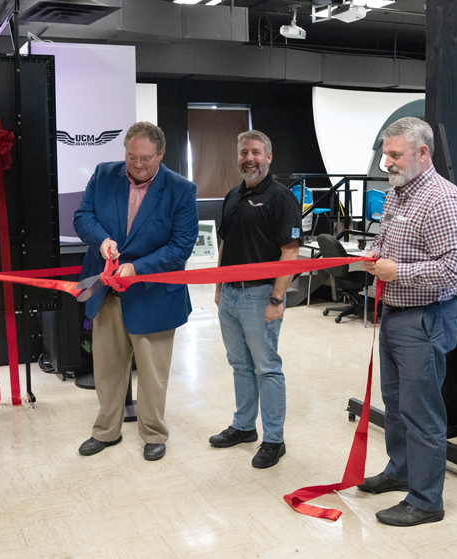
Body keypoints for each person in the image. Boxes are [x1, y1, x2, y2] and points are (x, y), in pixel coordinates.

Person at [359, 117, 457, 526]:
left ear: (423, 153)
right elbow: (386, 243)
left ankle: (426, 501)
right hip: (395, 314)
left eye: (394, 154)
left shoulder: (443, 200)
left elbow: (455, 272)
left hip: (425, 318)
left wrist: (397, 273)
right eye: (385, 153)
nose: (385, 162)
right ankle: (402, 470)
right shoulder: (397, 194)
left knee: (421, 410)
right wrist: (372, 255)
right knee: (396, 403)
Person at [73, 121, 198, 461]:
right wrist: (102, 242)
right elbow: (82, 216)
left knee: (153, 374)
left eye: (145, 158)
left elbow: (181, 246)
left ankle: (153, 433)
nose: (138, 164)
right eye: (131, 157)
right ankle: (106, 431)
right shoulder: (103, 175)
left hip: (153, 294)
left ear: (161, 154)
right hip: (106, 292)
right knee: (108, 369)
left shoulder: (181, 190)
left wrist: (137, 268)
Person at [209, 130, 301, 469]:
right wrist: (219, 286)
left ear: (269, 157)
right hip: (230, 295)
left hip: (261, 294)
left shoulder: (280, 198)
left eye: (256, 152)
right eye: (244, 152)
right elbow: (224, 243)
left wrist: (277, 298)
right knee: (239, 364)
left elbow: (290, 251)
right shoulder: (233, 195)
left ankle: (274, 440)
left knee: (266, 367)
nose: (249, 158)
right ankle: (244, 426)